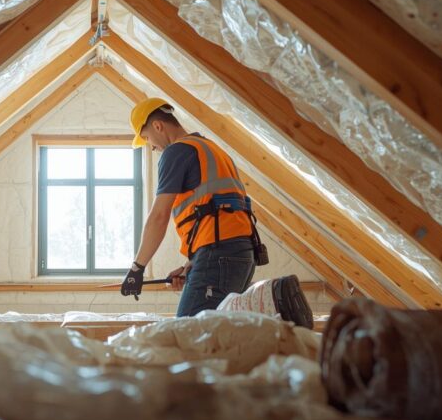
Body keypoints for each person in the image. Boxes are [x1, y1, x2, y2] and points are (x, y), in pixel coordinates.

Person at [120, 98, 313, 326]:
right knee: (218, 332)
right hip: (240, 254)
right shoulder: (212, 149)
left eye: (146, 138)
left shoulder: (176, 153)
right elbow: (219, 210)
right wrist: (190, 266)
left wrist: (137, 268)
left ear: (158, 126)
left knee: (188, 332)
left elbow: (159, 216)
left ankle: (273, 306)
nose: (151, 146)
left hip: (219, 254)